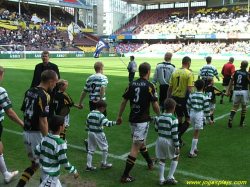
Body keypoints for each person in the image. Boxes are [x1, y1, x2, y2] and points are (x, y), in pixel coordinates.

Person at [116, 62, 161, 183]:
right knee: (136, 147)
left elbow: (123, 102)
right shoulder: (150, 85)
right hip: (142, 120)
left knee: (141, 143)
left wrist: (119, 116)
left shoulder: (131, 84)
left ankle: (150, 163)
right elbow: (155, 104)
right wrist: (160, 116)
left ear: (138, 72)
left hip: (132, 120)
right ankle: (125, 175)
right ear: (149, 72)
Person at [16, 70, 58, 187]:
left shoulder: (29, 91)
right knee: (47, 166)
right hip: (36, 135)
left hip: (26, 133)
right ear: (50, 81)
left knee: (35, 165)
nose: (55, 85)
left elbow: (25, 111)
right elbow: (43, 120)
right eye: (55, 82)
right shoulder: (44, 95)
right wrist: (47, 140)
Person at [34, 115, 79, 187]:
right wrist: (73, 170)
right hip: (50, 176)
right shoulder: (60, 143)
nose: (65, 125)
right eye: (64, 124)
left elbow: (36, 151)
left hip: (45, 173)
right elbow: (63, 161)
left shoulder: (45, 138)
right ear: (60, 128)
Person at [0, 66, 24, 184]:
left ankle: (6, 174)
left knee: (0, 149)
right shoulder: (1, 91)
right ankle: (6, 175)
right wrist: (21, 123)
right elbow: (9, 112)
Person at [78, 61, 108, 151]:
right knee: (103, 121)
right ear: (101, 68)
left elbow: (84, 91)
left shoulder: (90, 78)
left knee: (94, 120)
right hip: (100, 102)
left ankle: (90, 141)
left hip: (91, 101)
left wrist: (80, 102)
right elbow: (103, 87)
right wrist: (101, 99)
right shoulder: (104, 77)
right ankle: (91, 140)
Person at [167, 56, 194, 147]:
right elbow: (190, 89)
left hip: (174, 98)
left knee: (179, 118)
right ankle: (177, 136)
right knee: (188, 119)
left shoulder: (174, 72)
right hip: (184, 99)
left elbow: (170, 87)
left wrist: (168, 99)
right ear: (189, 63)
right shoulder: (189, 73)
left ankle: (179, 139)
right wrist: (193, 100)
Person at [85, 100, 117, 171]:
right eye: (104, 109)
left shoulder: (90, 114)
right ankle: (104, 164)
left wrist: (90, 129)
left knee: (91, 150)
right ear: (102, 108)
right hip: (99, 134)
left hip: (90, 133)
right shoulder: (100, 115)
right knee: (105, 148)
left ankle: (88, 166)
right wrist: (116, 122)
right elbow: (107, 123)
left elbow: (87, 125)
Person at [155, 98, 180, 185]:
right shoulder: (174, 119)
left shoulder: (159, 117)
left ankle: (161, 179)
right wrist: (177, 146)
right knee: (176, 156)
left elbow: (156, 129)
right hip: (169, 140)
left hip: (160, 139)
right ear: (174, 107)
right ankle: (170, 176)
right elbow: (174, 134)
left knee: (162, 158)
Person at [186, 79, 212, 158]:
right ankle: (191, 152)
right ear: (203, 86)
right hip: (199, 114)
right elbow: (207, 108)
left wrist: (189, 113)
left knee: (195, 130)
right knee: (197, 133)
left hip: (192, 113)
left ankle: (195, 147)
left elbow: (188, 105)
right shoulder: (204, 96)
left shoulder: (192, 94)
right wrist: (209, 118)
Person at [31, 51, 60, 116]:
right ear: (41, 57)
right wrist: (32, 89)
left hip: (50, 92)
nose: (44, 58)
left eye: (46, 56)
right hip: (39, 92)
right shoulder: (38, 66)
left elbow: (57, 79)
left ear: (49, 57)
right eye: (43, 56)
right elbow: (35, 79)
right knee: (39, 109)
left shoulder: (54, 67)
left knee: (50, 110)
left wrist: (57, 92)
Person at [227, 61, 250, 128]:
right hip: (244, 91)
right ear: (247, 66)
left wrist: (229, 91)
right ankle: (241, 123)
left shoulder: (235, 72)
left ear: (240, 65)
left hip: (236, 91)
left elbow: (231, 81)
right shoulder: (247, 74)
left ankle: (231, 117)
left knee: (235, 107)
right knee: (244, 107)